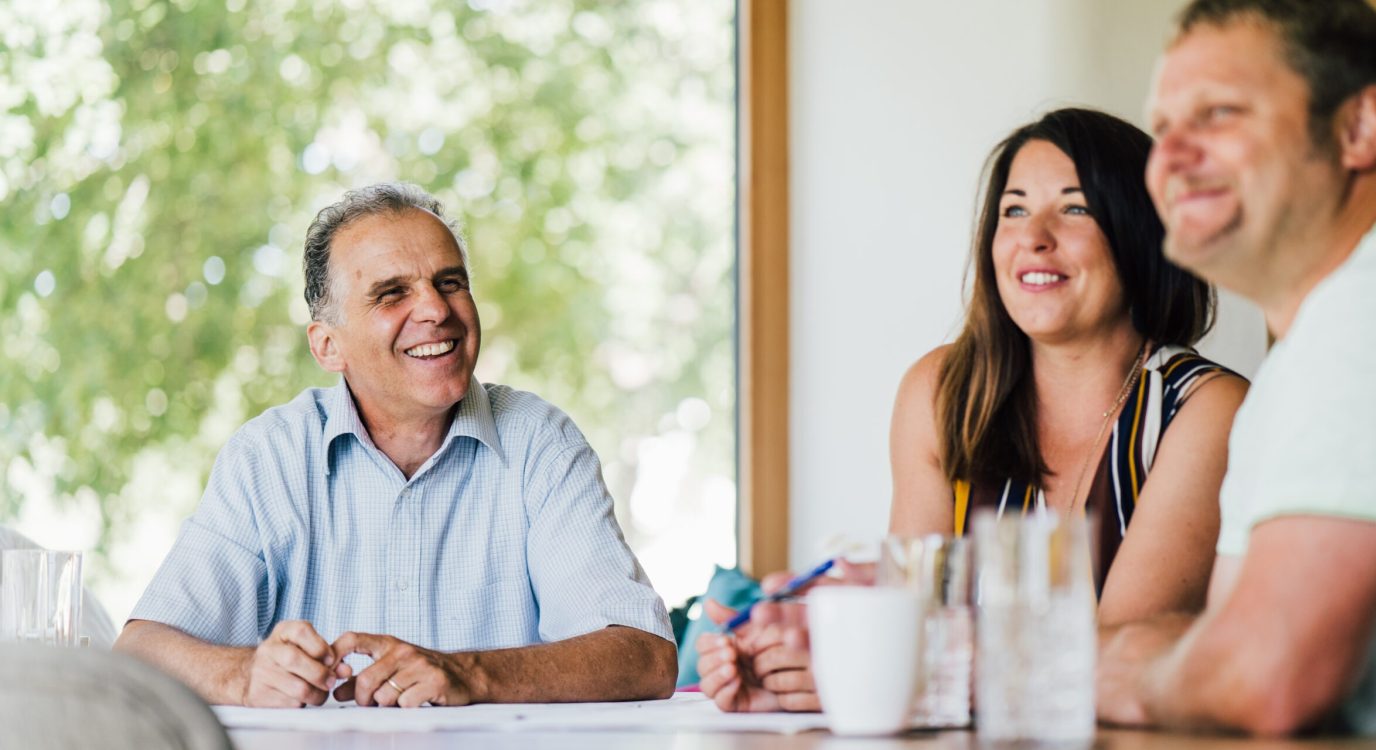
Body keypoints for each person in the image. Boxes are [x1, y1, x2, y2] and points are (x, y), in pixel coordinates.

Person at [698, 108, 1248, 713]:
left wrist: (893, 667)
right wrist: (807, 658)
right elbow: (915, 632)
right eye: (1013, 210)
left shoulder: (1206, 411)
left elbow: (1111, 664)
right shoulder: (939, 393)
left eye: (1074, 207)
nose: (1033, 236)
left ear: (1141, 233)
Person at [1096, 0, 1376, 739]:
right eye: (1163, 128)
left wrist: (1083, 665)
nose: (1171, 158)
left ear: (1358, 129)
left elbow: (1257, 678)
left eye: (1218, 114)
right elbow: (1229, 649)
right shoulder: (1350, 318)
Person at [114, 183, 676, 708]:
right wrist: (246, 674)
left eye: (450, 282)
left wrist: (471, 674)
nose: (435, 309)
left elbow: (647, 659)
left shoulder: (540, 443)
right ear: (329, 346)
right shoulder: (269, 457)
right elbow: (141, 651)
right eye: (392, 293)